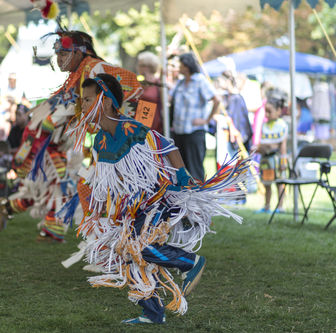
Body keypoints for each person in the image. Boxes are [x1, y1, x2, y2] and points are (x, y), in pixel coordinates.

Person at [69, 73, 250, 324]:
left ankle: (190, 262)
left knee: (142, 248)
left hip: (157, 198)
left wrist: (184, 177)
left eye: (88, 100)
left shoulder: (130, 129)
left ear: (107, 101)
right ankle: (152, 313)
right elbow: (103, 182)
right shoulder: (100, 141)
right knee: (129, 255)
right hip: (132, 206)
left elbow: (168, 146)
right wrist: (95, 213)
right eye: (82, 101)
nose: (83, 106)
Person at [0, 30, 142, 242]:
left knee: (71, 183)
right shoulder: (77, 75)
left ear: (80, 52)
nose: (59, 58)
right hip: (59, 144)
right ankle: (88, 237)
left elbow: (126, 92)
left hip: (122, 135)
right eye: (57, 53)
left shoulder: (94, 68)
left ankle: (116, 239)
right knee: (57, 183)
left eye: (64, 53)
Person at [171, 53, 220, 181]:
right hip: (179, 132)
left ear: (186, 66)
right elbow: (168, 98)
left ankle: (199, 198)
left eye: (180, 65)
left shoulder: (200, 81)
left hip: (194, 132)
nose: (178, 68)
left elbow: (216, 100)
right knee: (181, 169)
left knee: (195, 170)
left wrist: (206, 120)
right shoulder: (180, 83)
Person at [256, 88, 288, 213]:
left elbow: (282, 145)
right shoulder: (265, 125)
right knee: (267, 183)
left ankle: (280, 206)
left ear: (279, 111)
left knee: (279, 183)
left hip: (277, 160)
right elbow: (262, 143)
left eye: (270, 112)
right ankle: (267, 206)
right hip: (266, 160)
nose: (267, 115)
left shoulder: (282, 125)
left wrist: (283, 162)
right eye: (266, 112)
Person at [137, 51, 163, 133]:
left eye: (140, 65)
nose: (138, 67)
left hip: (153, 121)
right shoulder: (140, 83)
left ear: (147, 67)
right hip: (140, 121)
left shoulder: (158, 83)